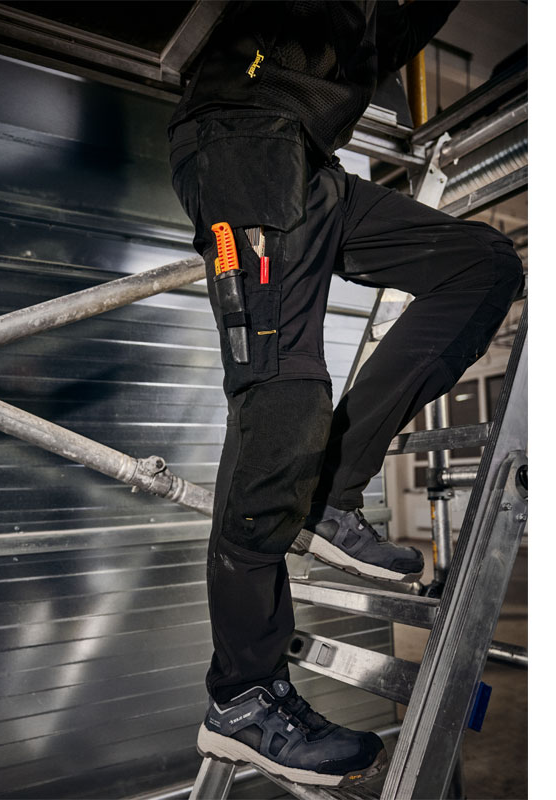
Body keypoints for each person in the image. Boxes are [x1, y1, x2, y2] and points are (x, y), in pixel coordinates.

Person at [168, 0, 523, 787]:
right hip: (244, 142)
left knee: (483, 266)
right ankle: (244, 696)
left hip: (314, 162)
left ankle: (328, 497)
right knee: (282, 402)